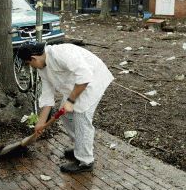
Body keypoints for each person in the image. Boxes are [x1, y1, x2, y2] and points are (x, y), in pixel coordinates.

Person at [17, 42, 114, 173]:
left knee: (81, 118)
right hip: (76, 85)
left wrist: (71, 100)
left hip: (92, 80)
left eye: (29, 64)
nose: (31, 67)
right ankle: (80, 147)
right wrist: (41, 122)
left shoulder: (61, 54)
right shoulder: (42, 68)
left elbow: (85, 76)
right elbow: (47, 96)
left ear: (34, 58)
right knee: (67, 115)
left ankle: (85, 161)